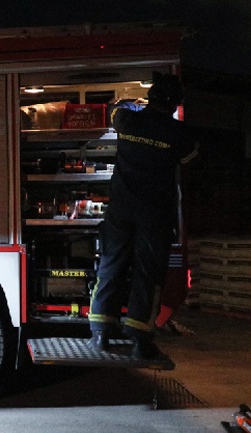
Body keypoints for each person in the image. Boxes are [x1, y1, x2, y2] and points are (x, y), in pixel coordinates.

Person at [88, 72, 199, 359]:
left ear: (149, 99)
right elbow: (189, 160)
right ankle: (139, 341)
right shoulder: (181, 134)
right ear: (175, 104)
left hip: (121, 210)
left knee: (111, 266)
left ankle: (100, 334)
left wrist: (134, 103)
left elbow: (114, 108)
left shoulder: (127, 120)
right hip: (155, 214)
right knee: (148, 275)